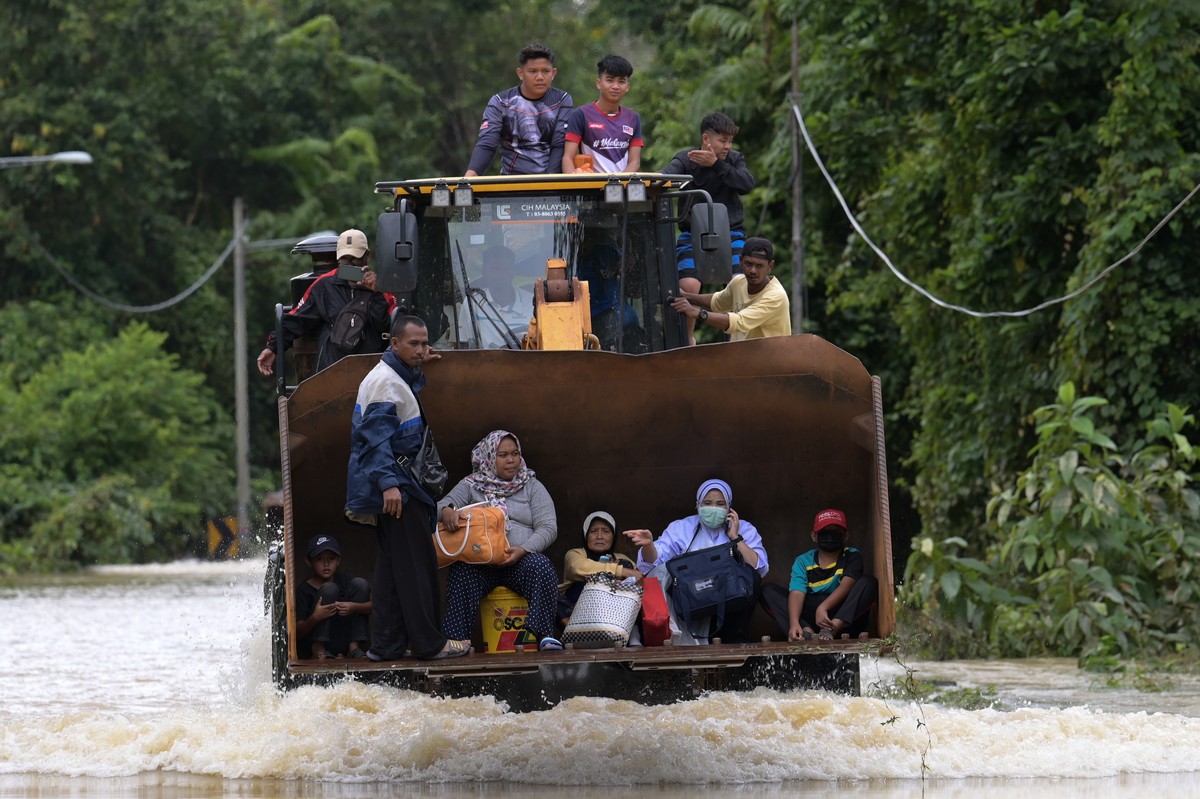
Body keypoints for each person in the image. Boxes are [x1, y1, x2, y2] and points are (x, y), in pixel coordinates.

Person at [344, 315, 470, 661]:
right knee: (418, 567)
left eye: (425, 343)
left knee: (390, 571)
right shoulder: (386, 383)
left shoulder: (393, 376)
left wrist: (417, 365)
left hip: (398, 487)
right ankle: (431, 644)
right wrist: (389, 486)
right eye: (413, 344)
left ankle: (385, 646)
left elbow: (399, 405)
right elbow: (373, 440)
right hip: (401, 489)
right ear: (394, 343)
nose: (421, 349)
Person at [438, 430, 563, 651]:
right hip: (481, 565)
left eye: (515, 453)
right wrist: (448, 511)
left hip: (519, 562)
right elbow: (440, 507)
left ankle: (542, 635)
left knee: (542, 567)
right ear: (488, 458)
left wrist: (523, 550)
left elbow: (548, 527)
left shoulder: (532, 486)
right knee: (460, 572)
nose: (511, 460)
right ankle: (457, 641)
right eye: (503, 454)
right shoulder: (471, 485)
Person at [625, 479, 769, 645]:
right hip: (691, 603)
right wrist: (648, 545)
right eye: (707, 503)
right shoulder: (682, 527)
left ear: (729, 507)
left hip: (728, 604)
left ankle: (734, 641)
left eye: (720, 504)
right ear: (698, 505)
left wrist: (735, 538)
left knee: (750, 576)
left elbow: (759, 568)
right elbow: (653, 564)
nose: (713, 508)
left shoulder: (744, 528)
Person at [663, 113, 755, 345]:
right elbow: (664, 177)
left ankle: (738, 337)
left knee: (739, 281)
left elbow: (746, 184)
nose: (728, 146)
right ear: (706, 139)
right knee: (689, 284)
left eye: (730, 141)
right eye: (723, 140)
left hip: (731, 232)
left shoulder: (734, 160)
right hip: (691, 234)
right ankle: (687, 340)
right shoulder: (686, 159)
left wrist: (717, 165)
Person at [257, 228, 393, 376]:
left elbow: (387, 326)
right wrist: (272, 348)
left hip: (372, 372)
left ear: (367, 256)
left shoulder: (382, 286)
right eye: (344, 259)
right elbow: (297, 319)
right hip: (332, 371)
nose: (350, 265)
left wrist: (377, 292)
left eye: (355, 259)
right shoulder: (324, 285)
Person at [761, 508, 878, 640]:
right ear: (814, 536)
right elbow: (797, 593)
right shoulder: (803, 561)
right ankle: (804, 630)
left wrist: (823, 608)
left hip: (841, 613)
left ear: (846, 536)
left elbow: (847, 585)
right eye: (824, 532)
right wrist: (794, 623)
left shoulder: (852, 555)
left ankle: (832, 628)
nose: (830, 537)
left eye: (836, 532)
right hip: (810, 614)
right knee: (767, 591)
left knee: (869, 582)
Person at [465, 43, 574, 176]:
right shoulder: (500, 102)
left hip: (551, 182)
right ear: (520, 73)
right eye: (533, 71)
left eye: (546, 71)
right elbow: (487, 143)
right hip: (512, 183)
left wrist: (549, 182)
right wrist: (469, 177)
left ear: (553, 73)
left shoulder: (562, 99)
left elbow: (559, 143)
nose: (540, 77)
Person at [671, 236, 790, 343]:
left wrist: (696, 313)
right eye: (748, 264)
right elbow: (716, 302)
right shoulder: (739, 282)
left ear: (770, 266)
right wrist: (686, 296)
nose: (753, 270)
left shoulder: (775, 296)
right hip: (742, 358)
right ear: (740, 261)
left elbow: (738, 321)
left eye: (759, 266)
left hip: (771, 363)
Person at [557, 510, 641, 629]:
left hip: (615, 616)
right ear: (586, 535)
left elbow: (640, 579)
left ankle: (633, 635)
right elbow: (577, 568)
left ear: (614, 536)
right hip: (577, 613)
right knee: (549, 590)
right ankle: (572, 629)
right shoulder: (575, 554)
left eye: (606, 531)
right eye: (593, 531)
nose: (599, 536)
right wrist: (621, 571)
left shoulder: (622, 559)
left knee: (626, 565)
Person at [561, 55, 643, 174]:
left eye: (621, 81)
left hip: (621, 189)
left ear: (627, 87)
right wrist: (573, 182)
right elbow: (567, 157)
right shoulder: (580, 115)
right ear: (599, 83)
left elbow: (634, 162)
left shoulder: (633, 118)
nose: (615, 86)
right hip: (590, 189)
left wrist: (618, 184)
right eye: (609, 80)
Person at [294, 534, 371, 659]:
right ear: (309, 562)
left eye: (332, 558)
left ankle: (354, 647)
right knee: (329, 588)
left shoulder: (345, 581)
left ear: (338, 561)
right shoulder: (304, 590)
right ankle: (319, 646)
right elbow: (297, 633)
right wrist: (315, 617)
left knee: (360, 583)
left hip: (342, 639)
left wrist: (354, 607)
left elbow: (374, 607)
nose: (326, 564)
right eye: (319, 559)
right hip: (317, 644)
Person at [455, 245, 534, 348]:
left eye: (505, 269)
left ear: (513, 272)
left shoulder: (533, 303)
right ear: (484, 272)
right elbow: (465, 347)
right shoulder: (473, 303)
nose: (500, 275)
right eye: (494, 269)